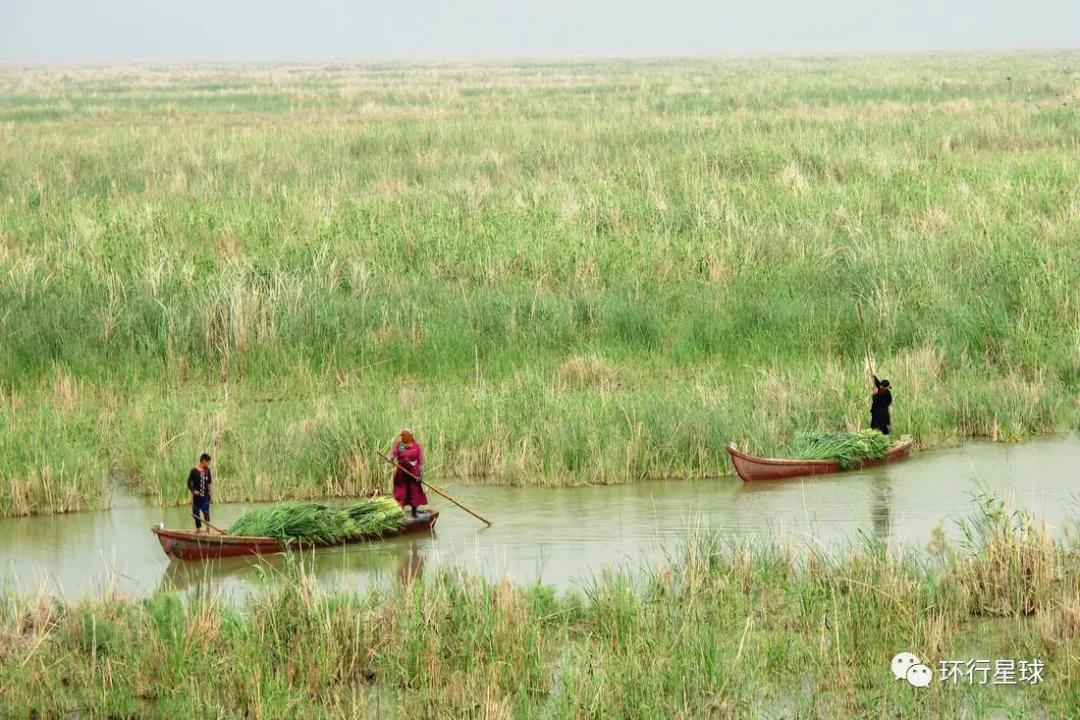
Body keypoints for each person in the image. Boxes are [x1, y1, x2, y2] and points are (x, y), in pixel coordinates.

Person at [390, 429, 428, 518]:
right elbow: (394, 453)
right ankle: (400, 515)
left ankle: (414, 514)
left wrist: (421, 474)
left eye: (404, 435)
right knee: (400, 493)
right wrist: (390, 458)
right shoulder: (400, 445)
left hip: (413, 474)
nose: (402, 437)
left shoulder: (416, 446)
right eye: (401, 435)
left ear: (409, 436)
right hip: (401, 474)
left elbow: (420, 461)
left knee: (414, 493)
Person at [187, 453, 213, 532]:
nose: (208, 464)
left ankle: (208, 529)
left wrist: (210, 493)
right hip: (197, 497)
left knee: (206, 512)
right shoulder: (194, 471)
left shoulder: (207, 470)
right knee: (196, 513)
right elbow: (189, 483)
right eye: (207, 462)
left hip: (205, 497)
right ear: (203, 461)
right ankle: (198, 529)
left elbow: (209, 483)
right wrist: (193, 490)